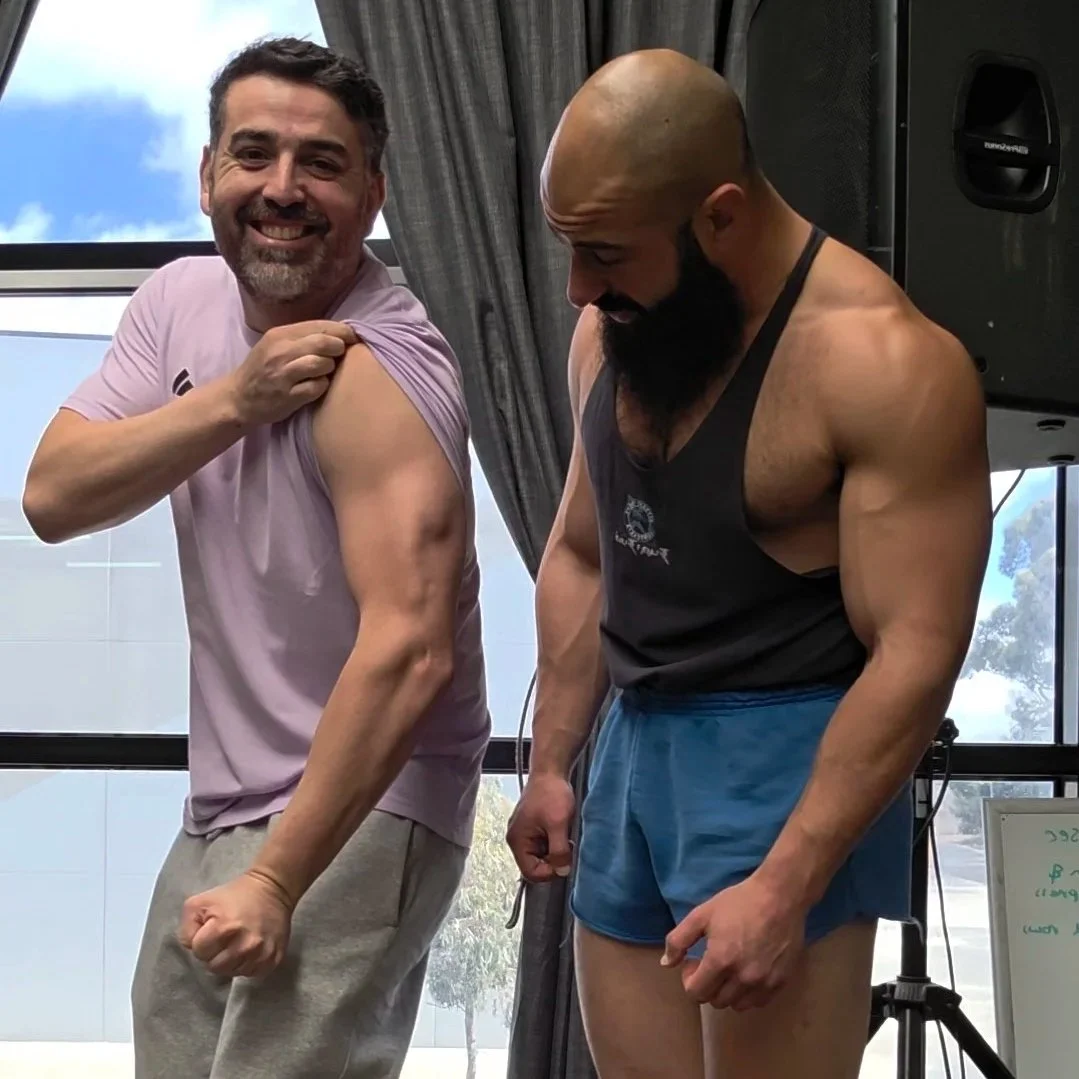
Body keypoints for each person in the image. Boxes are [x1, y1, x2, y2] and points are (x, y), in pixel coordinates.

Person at [506, 48, 992, 1079]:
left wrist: (787, 881)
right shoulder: (614, 330)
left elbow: (914, 649)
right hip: (633, 746)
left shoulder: (882, 362)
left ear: (718, 215)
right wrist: (552, 758)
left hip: (787, 756)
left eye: (603, 253)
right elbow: (584, 553)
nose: (577, 288)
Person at [23, 36, 490, 1079]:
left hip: (369, 793)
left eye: (320, 163)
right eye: (254, 153)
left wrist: (278, 881)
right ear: (206, 176)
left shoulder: (376, 366)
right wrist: (235, 402)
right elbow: (54, 495)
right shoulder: (177, 305)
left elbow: (411, 652)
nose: (281, 188)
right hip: (222, 800)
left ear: (372, 191)